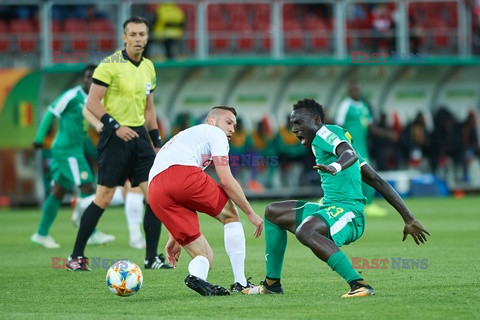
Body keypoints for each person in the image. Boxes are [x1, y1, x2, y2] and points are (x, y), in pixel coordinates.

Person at [243, 98, 430, 297]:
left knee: (306, 231)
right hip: (330, 208)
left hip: (349, 213)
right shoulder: (329, 141)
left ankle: (359, 284)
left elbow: (348, 153)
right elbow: (377, 180)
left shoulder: (326, 134)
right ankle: (272, 284)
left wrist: (335, 166)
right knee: (273, 213)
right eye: (292, 124)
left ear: (316, 121)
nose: (294, 129)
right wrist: (408, 218)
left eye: (298, 123)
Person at [66, 16, 171, 271]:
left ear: (147, 38)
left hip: (140, 139)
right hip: (115, 137)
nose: (137, 39)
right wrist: (116, 126)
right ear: (124, 37)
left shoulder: (148, 67)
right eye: (132, 34)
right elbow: (92, 103)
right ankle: (75, 258)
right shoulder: (109, 65)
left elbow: (149, 109)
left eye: (142, 35)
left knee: (155, 197)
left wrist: (156, 142)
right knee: (103, 197)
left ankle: (151, 258)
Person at [148, 106, 264, 296]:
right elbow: (225, 179)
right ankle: (240, 283)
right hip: (182, 175)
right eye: (228, 122)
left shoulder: (185, 137)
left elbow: (169, 185)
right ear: (212, 121)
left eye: (234, 125)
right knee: (231, 215)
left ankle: (196, 278)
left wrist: (174, 235)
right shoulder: (214, 133)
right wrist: (250, 213)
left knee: (205, 257)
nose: (232, 129)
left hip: (155, 191)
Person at [31, 65, 115, 249]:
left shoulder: (97, 101)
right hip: (65, 150)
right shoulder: (72, 96)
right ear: (82, 79)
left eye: (93, 78)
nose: (89, 81)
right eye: (86, 77)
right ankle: (91, 232)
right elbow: (51, 113)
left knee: (59, 190)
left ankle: (41, 234)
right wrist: (39, 139)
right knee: (87, 187)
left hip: (76, 150)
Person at [335, 80, 397, 216]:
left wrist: (388, 134)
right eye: (353, 90)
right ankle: (353, 203)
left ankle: (367, 203)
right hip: (349, 147)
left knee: (365, 173)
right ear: (349, 92)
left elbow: (371, 127)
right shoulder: (345, 105)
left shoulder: (363, 106)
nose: (356, 92)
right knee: (349, 174)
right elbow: (338, 126)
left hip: (362, 147)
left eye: (357, 90)